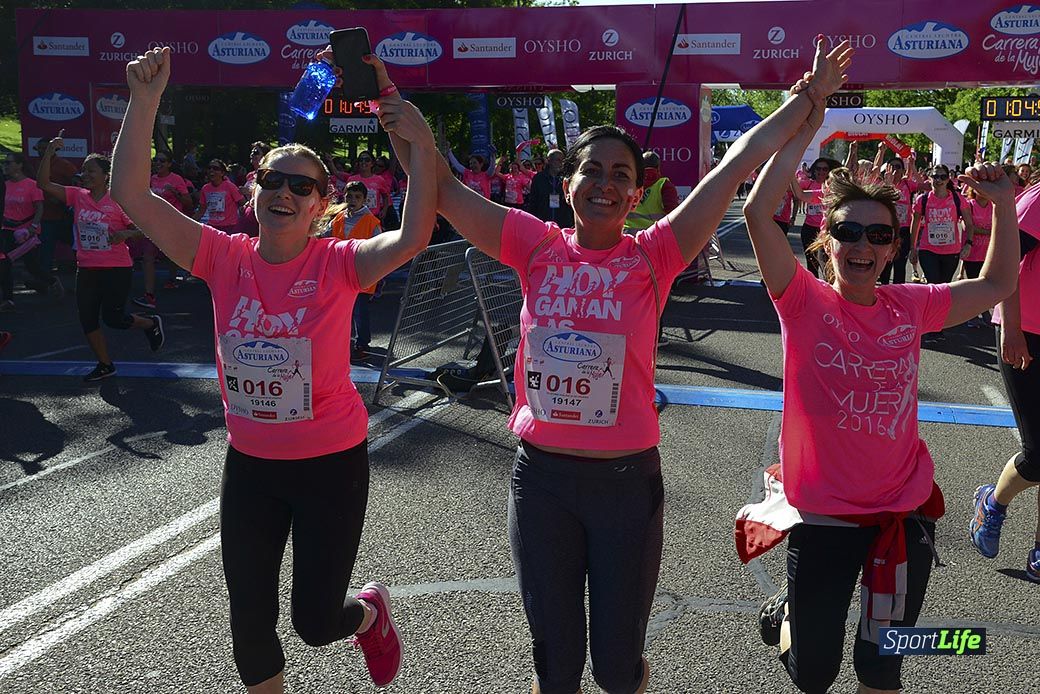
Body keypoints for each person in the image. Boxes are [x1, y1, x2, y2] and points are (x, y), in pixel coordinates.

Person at [387, 36, 854, 694]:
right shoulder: (532, 244)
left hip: (626, 489)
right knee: (555, 668)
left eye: (620, 175)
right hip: (542, 482)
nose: (605, 184)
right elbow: (443, 192)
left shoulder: (654, 254)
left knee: (614, 669)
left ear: (637, 191)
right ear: (569, 181)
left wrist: (808, 100)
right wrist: (399, 115)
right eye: (593, 171)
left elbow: (736, 164)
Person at [111, 45, 438, 692]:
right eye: (273, 180)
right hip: (252, 467)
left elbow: (414, 236)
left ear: (321, 205)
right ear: (255, 189)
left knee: (316, 622)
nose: (284, 191)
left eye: (302, 185)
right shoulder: (220, 257)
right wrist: (144, 100)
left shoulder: (340, 262)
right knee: (249, 622)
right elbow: (130, 195)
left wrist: (416, 137)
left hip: (330, 467)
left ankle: (369, 614)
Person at [738, 81, 1018, 694]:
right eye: (848, 231)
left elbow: (998, 283)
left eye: (878, 234)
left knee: (882, 662)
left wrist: (1002, 204)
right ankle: (786, 619)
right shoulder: (802, 301)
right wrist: (804, 116)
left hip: (901, 512)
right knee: (814, 673)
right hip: (823, 518)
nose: (862, 244)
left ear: (895, 246)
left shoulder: (910, 305)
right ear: (826, 239)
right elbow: (759, 212)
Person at [37, 143, 165, 382]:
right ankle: (105, 364)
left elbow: (143, 229)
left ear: (106, 176)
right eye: (83, 171)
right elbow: (43, 184)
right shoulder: (77, 196)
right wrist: (48, 153)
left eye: (91, 171)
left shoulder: (117, 201)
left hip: (116, 267)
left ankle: (149, 324)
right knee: (87, 318)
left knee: (114, 319)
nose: (84, 175)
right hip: (86, 267)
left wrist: (124, 235)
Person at [969, 186, 1040, 583]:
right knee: (1038, 453)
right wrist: (1011, 328)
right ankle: (992, 502)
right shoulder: (1037, 201)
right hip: (1027, 335)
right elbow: (1007, 263)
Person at [909, 165, 976, 340]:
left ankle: (938, 324)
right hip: (928, 249)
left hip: (951, 250)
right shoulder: (922, 200)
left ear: (948, 179)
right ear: (929, 178)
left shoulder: (957, 199)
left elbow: (969, 224)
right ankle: (932, 328)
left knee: (944, 287)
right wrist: (912, 249)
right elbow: (915, 225)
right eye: (935, 176)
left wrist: (968, 244)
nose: (938, 180)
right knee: (933, 285)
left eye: (942, 177)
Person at [327, 181, 383, 361]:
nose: (352, 200)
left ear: (365, 200)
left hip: (361, 273)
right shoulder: (338, 218)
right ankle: (344, 342)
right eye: (349, 196)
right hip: (339, 272)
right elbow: (327, 238)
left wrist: (378, 274)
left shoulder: (371, 221)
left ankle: (362, 344)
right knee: (341, 310)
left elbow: (378, 247)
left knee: (360, 311)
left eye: (357, 197)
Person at [132, 152, 194, 309]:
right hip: (152, 224)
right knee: (148, 257)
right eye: (156, 160)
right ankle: (149, 294)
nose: (158, 163)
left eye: (162, 161)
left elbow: (188, 203)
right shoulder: (151, 179)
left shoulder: (176, 179)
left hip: (171, 223)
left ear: (169, 164)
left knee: (171, 255)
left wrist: (174, 192)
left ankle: (172, 278)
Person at [2, 153, 62, 307]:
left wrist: (33, 228)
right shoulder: (5, 185)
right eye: (4, 163)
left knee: (32, 267)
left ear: (19, 165)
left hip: (26, 233)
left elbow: (39, 208)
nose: (5, 166)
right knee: (5, 264)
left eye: (9, 163)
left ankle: (52, 281)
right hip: (7, 230)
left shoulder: (31, 185)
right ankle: (8, 299)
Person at [878, 157, 917, 285]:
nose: (895, 169)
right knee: (885, 264)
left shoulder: (907, 184)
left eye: (898, 167)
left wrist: (913, 166)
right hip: (886, 230)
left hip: (903, 230)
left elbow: (926, 185)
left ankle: (898, 296)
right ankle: (883, 294)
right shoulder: (881, 184)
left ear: (903, 170)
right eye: (892, 166)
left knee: (900, 265)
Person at [799, 156, 840, 277]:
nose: (821, 171)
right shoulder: (809, 183)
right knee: (812, 264)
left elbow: (846, 174)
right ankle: (814, 291)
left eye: (824, 169)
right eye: (818, 169)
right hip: (809, 229)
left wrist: (852, 153)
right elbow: (797, 190)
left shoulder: (833, 187)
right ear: (814, 170)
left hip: (826, 232)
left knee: (828, 265)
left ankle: (829, 291)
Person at [623, 151, 679, 231]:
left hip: (627, 236)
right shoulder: (664, 185)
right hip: (653, 237)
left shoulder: (628, 183)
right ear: (658, 168)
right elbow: (673, 215)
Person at [527, 148, 574, 228]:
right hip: (543, 221)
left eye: (563, 160)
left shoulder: (567, 178)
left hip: (563, 222)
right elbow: (533, 201)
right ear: (549, 160)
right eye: (558, 160)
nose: (561, 163)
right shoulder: (538, 178)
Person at [196, 159, 244, 232]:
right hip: (212, 227)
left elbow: (243, 203)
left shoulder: (230, 186)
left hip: (229, 227)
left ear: (222, 173)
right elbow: (201, 210)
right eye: (209, 168)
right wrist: (188, 222)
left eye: (215, 168)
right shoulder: (205, 188)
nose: (211, 170)